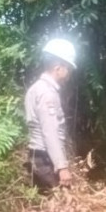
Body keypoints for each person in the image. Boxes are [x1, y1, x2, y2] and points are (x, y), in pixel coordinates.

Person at [24, 38, 77, 193]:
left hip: (40, 156)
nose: (69, 75)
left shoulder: (36, 88)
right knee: (62, 206)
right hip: (45, 158)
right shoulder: (47, 93)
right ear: (58, 67)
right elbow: (50, 132)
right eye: (68, 69)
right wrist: (61, 167)